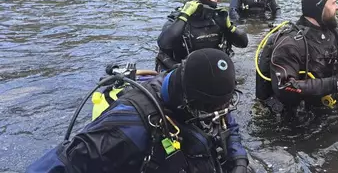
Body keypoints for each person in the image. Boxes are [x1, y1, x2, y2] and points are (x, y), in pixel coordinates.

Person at [27, 48, 250, 173]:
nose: (221, 111)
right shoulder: (129, 123)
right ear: (187, 100)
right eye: (212, 107)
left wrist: (239, 159)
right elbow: (65, 163)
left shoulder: (208, 100)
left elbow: (228, 125)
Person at [255, 0, 338, 114]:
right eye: (333, 3)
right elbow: (284, 88)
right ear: (318, 8)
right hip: (297, 118)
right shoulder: (289, 44)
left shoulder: (334, 34)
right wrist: (334, 85)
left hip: (327, 106)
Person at [156, 0, 248, 71]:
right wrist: (184, 15)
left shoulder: (218, 17)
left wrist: (230, 27)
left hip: (215, 68)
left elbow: (243, 43)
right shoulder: (180, 19)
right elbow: (163, 44)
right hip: (184, 72)